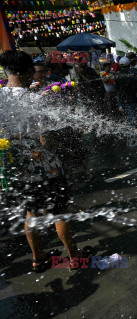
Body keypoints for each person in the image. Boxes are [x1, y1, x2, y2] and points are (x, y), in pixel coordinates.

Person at [0, 50, 90, 272]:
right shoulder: (34, 99)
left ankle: (39, 257)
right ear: (27, 71)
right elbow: (45, 135)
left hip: (15, 165)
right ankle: (74, 256)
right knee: (60, 211)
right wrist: (67, 152)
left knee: (32, 212)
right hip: (43, 165)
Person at [114, 57, 137, 127]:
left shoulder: (116, 75)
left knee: (125, 118)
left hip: (121, 99)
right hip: (131, 99)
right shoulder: (132, 76)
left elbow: (116, 88)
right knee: (132, 118)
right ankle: (133, 134)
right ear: (129, 65)